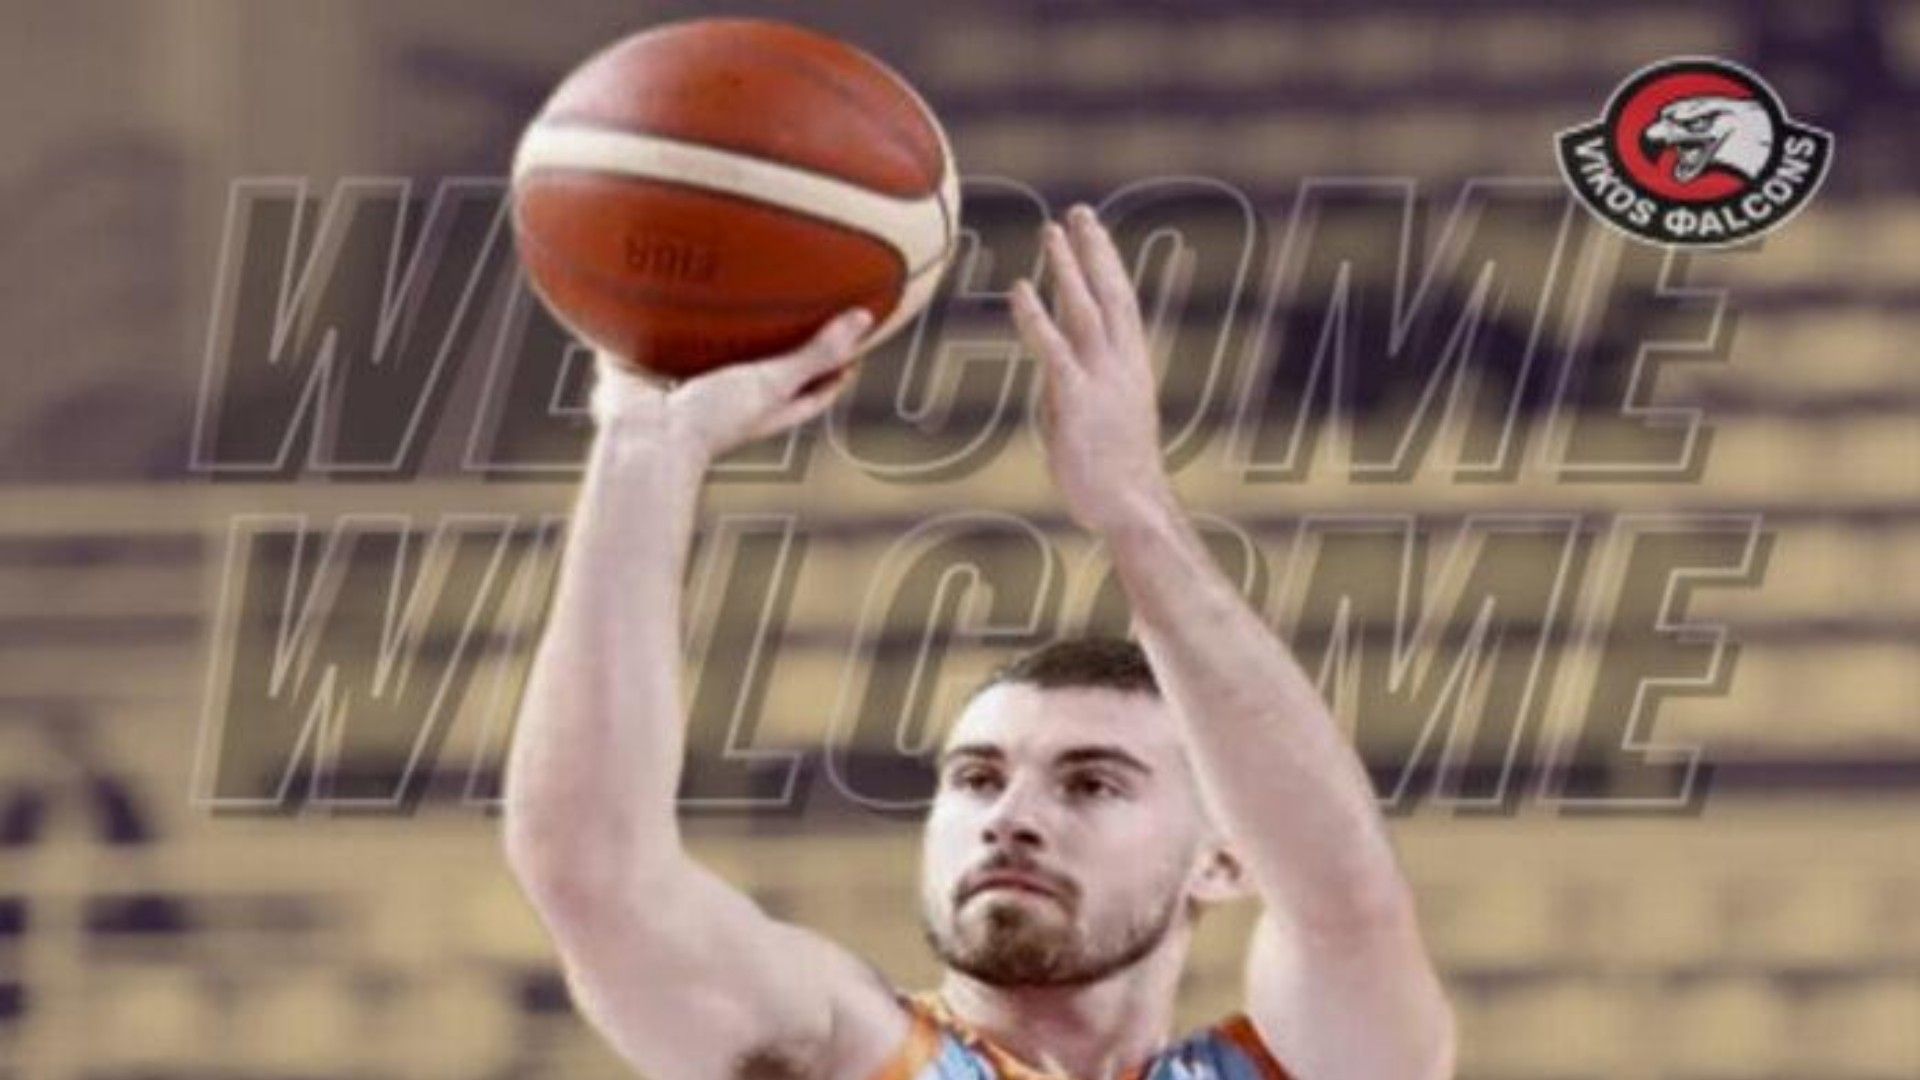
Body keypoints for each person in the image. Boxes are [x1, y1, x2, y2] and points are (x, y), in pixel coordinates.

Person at [502, 206, 1455, 1080]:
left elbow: (1347, 904)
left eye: (1092, 783)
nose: (1009, 817)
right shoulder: (845, 1053)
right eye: (976, 778)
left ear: (1224, 861)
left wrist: (1134, 510)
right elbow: (594, 875)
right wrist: (644, 448)